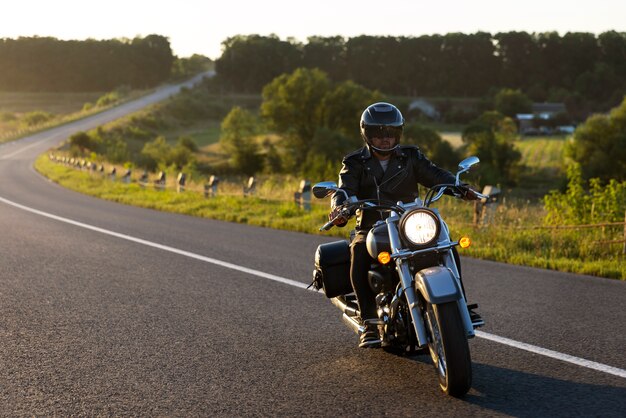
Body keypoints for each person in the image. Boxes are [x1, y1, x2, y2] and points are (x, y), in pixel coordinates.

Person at [329, 102, 479, 348]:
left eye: (390, 133)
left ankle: (458, 303)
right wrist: (340, 208)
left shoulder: (410, 156)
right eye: (378, 133)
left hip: (409, 221)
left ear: (398, 133)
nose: (385, 139)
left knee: (446, 243)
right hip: (372, 225)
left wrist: (460, 188)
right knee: (357, 250)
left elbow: (435, 175)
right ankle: (369, 322)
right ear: (366, 133)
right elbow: (344, 189)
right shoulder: (355, 162)